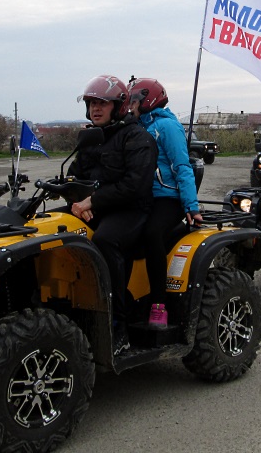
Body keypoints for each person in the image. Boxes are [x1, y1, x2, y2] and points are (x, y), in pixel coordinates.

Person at [68, 74, 158, 355]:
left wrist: (93, 202)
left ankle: (117, 324)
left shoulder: (137, 138)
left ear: (118, 106)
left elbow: (135, 185)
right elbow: (75, 175)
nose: (96, 108)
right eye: (92, 103)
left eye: (102, 103)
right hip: (97, 207)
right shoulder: (91, 137)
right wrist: (71, 197)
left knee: (105, 240)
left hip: (131, 210)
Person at [127, 77, 202, 330]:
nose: (131, 105)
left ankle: (159, 305)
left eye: (135, 100)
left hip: (168, 197)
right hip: (145, 197)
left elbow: (183, 166)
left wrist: (191, 206)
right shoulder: (138, 125)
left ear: (148, 100)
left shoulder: (167, 127)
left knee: (151, 233)